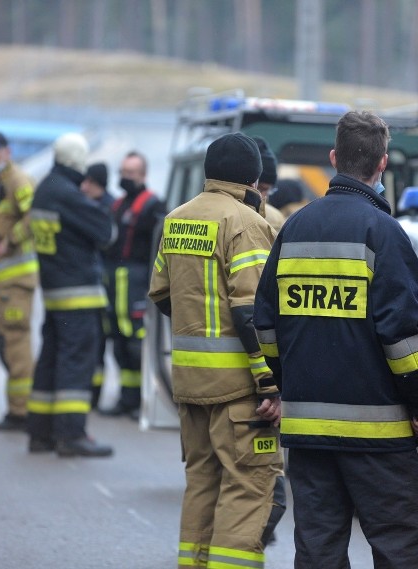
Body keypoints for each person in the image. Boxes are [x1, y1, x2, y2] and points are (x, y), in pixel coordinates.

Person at [253, 110, 418, 569]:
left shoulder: (294, 230)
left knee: (318, 551)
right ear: (383, 163)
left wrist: (289, 385)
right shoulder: (384, 234)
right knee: (406, 548)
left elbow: (265, 326)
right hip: (378, 435)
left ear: (335, 158)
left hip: (309, 435)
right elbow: (402, 338)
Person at [148, 132, 285, 568]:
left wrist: (203, 334)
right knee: (247, 486)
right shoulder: (246, 223)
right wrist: (270, 382)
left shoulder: (178, 219)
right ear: (253, 178)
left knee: (202, 483)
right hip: (240, 390)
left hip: (190, 383)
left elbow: (161, 293)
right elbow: (251, 312)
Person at [27, 133, 116, 458]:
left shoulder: (43, 191)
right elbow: (106, 232)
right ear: (77, 160)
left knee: (50, 360)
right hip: (78, 295)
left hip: (53, 293)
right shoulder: (67, 194)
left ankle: (39, 432)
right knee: (76, 364)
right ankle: (71, 434)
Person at [0, 130, 39, 432]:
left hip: (16, 282)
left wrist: (10, 241)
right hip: (3, 282)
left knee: (15, 345)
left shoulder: (17, 181)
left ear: (7, 151)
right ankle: (19, 409)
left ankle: (22, 413)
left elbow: (34, 216)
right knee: (6, 344)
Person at [98, 151, 164, 420]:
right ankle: (127, 399)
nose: (126, 178)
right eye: (123, 173)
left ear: (143, 175)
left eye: (131, 173)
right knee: (120, 345)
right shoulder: (118, 205)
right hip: (115, 283)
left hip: (137, 284)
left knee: (137, 344)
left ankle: (144, 402)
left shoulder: (154, 205)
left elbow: (159, 247)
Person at [79, 162, 114, 408]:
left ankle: (95, 396)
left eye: (87, 182)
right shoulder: (97, 205)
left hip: (106, 286)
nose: (83, 186)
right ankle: (92, 395)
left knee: (101, 343)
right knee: (96, 344)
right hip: (99, 284)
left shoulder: (106, 208)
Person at [251, 136, 286, 233]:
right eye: (259, 188)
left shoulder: (275, 220)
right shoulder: (276, 219)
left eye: (266, 190)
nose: (261, 196)